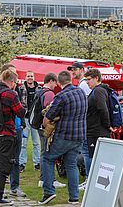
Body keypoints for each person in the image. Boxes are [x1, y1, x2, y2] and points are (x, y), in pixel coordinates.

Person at [39, 71, 87, 205]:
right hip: (79, 136)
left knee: (47, 159)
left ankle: (49, 192)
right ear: (70, 80)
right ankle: (74, 198)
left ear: (59, 83)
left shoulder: (61, 96)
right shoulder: (82, 93)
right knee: (71, 164)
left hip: (64, 135)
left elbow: (47, 118)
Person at [0, 69, 26, 205]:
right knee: (3, 167)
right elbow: (20, 112)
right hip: (6, 134)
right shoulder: (11, 94)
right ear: (12, 82)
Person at [0, 64, 27, 198]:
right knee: (2, 159)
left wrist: (21, 124)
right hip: (5, 129)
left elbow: (21, 108)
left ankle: (14, 187)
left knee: (15, 159)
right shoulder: (3, 91)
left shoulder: (18, 90)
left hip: (16, 127)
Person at [36, 73, 66, 189]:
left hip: (39, 126)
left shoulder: (40, 91)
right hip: (46, 127)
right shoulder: (49, 94)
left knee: (44, 153)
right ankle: (49, 179)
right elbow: (49, 112)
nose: (56, 85)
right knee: (48, 154)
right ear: (51, 81)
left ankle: (43, 178)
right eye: (55, 82)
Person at [67, 62, 91, 190]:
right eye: (72, 71)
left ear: (82, 70)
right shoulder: (82, 84)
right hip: (86, 123)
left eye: (75, 70)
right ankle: (88, 178)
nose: (73, 73)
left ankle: (88, 179)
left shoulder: (83, 85)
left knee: (86, 152)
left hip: (85, 123)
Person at [84, 69, 111, 160]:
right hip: (95, 130)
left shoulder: (98, 91)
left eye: (89, 79)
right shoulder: (97, 90)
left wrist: (107, 125)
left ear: (96, 78)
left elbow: (103, 109)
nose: (87, 82)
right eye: (86, 80)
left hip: (97, 132)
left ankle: (90, 174)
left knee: (92, 157)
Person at [19, 70, 41, 172]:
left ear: (34, 77)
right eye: (28, 76)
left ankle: (37, 163)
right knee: (23, 143)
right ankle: (21, 163)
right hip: (25, 118)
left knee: (36, 142)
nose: (30, 78)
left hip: (35, 119)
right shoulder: (21, 89)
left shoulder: (39, 89)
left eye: (31, 76)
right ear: (25, 77)